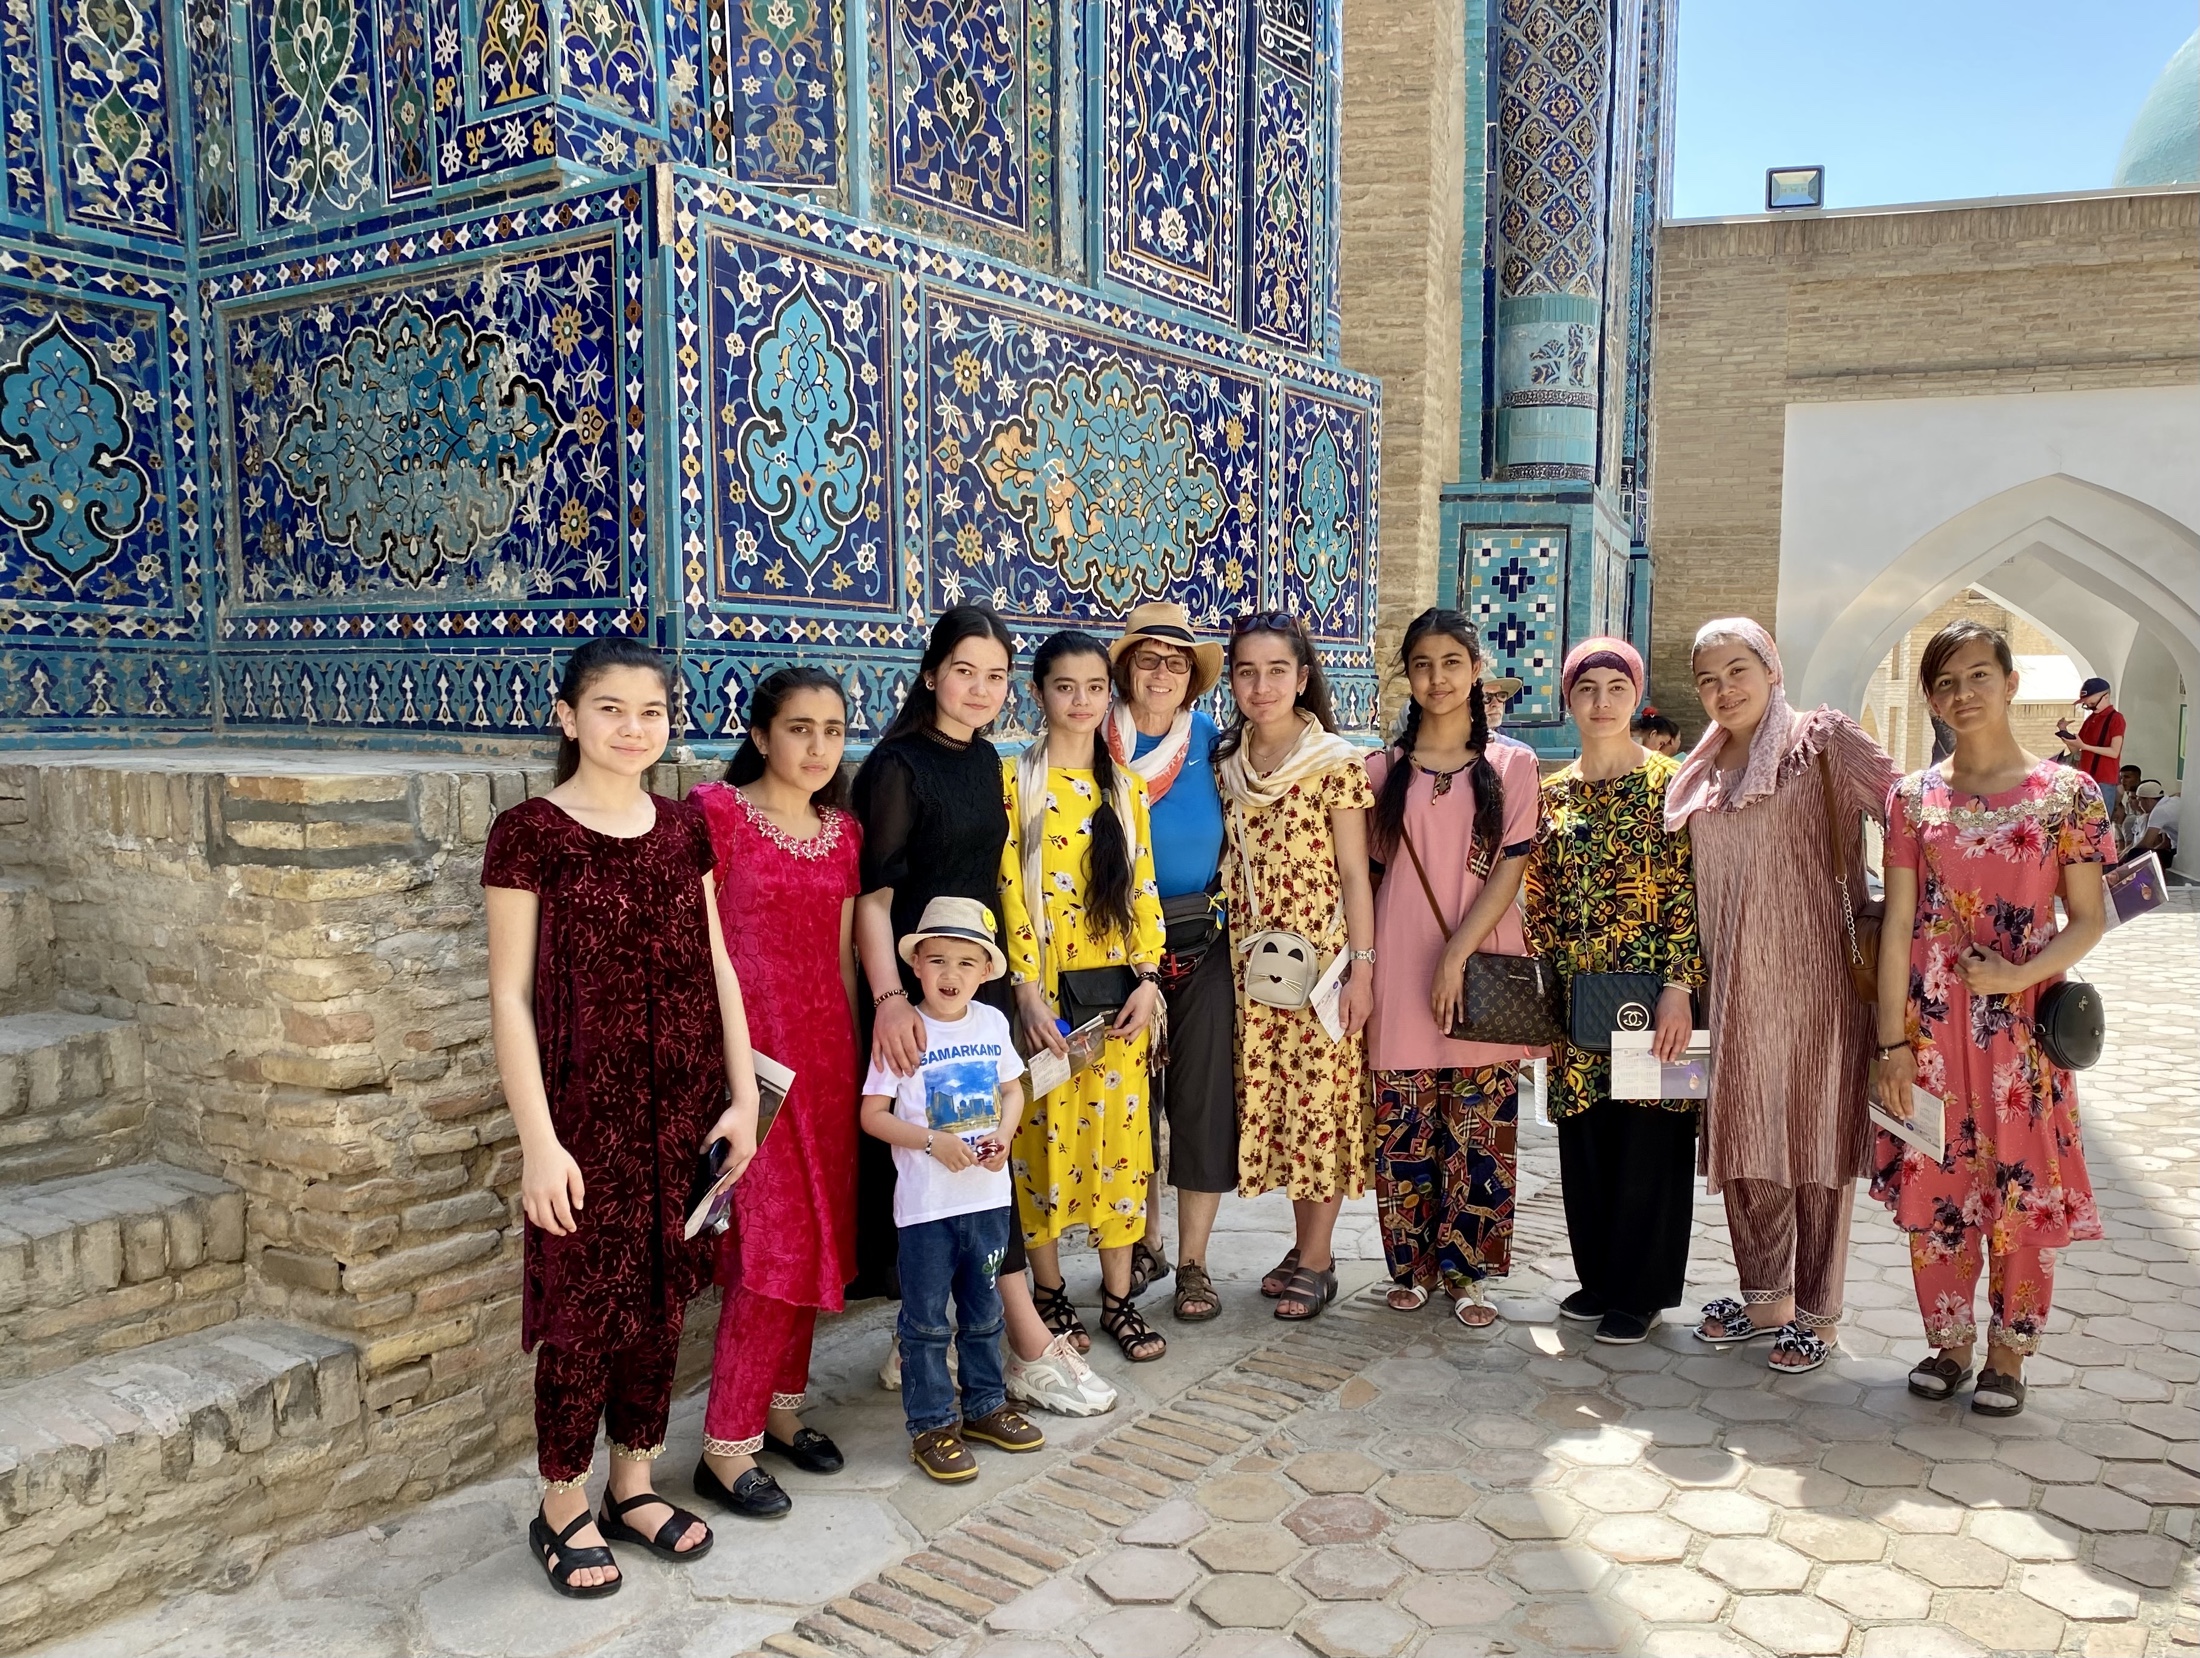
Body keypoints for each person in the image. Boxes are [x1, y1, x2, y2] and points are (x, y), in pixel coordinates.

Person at [484, 638, 758, 1597]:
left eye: (651, 711)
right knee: (582, 1311)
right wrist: (539, 1142)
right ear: (568, 716)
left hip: (684, 1110)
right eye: (610, 708)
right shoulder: (530, 833)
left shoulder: (685, 830)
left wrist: (744, 1098)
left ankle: (633, 1485)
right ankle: (563, 1503)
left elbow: (718, 965)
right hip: (581, 1118)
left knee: (663, 1301)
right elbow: (509, 995)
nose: (633, 728)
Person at [850, 607, 1114, 1416]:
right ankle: (1025, 1343)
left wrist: (1016, 987)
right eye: (964, 671)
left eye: (995, 676)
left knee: (982, 1156)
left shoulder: (986, 762)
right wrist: (892, 1004)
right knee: (948, 1158)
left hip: (978, 988)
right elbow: (874, 900)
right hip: (920, 996)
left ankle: (925, 1335)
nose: (979, 689)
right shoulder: (896, 767)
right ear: (932, 673)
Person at [1871, 621, 2109, 1418]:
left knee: (2022, 1187)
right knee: (1937, 1182)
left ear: (2010, 683)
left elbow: (2087, 919)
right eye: (1945, 682)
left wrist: (2017, 976)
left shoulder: (2067, 795)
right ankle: (1948, 1342)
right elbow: (1897, 925)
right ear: (1932, 699)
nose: (1963, 693)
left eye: (1979, 674)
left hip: (2025, 1035)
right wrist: (1890, 1042)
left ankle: (2009, 1353)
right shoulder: (1913, 798)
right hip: (1931, 1032)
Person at [1666, 618, 1899, 1375]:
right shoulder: (1701, 770)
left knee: (1815, 1145)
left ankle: (1818, 1314)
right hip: (1732, 991)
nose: (1723, 689)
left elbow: (1912, 812)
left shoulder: (1822, 743)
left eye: (1738, 670)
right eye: (1708, 678)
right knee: (1746, 1139)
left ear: (1772, 668)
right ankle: (1765, 1298)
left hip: (1820, 990)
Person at [690, 669, 861, 1520]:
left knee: (818, 1240)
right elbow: (698, 949)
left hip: (827, 1063)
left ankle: (781, 1411)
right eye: (799, 728)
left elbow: (840, 961)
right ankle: (725, 1448)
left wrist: (859, 1070)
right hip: (751, 1068)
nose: (818, 747)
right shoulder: (713, 815)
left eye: (833, 730)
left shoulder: (845, 833)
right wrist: (721, 1074)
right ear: (760, 735)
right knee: (769, 1252)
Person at [1364, 609, 1542, 1329]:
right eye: (1422, 664)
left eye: (1451, 662)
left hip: (1481, 963)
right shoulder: (1382, 769)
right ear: (1408, 676)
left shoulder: (1513, 764)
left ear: (1475, 670)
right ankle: (1410, 1264)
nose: (1437, 678)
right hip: (1398, 963)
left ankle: (1467, 1271)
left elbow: (1510, 869)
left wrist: (1456, 957)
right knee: (1404, 1123)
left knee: (1479, 1127)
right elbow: (1371, 875)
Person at [1526, 639, 1705, 1345]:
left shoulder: (1673, 785)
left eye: (1616, 688)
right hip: (1579, 994)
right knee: (1588, 1134)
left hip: (1654, 992)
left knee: (1651, 1134)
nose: (1601, 703)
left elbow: (1692, 891)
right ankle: (1599, 1278)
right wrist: (1544, 995)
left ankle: (1642, 1290)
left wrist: (1681, 987)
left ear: (1637, 697)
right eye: (1587, 689)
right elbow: (1539, 900)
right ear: (1567, 699)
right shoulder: (1552, 795)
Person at [1001, 630, 1169, 1362]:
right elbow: (1010, 890)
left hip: (1117, 1002)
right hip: (1048, 999)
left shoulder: (1126, 790)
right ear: (1037, 693)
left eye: (1094, 687)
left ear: (1110, 695)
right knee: (1040, 1143)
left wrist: (1150, 982)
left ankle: (1119, 1298)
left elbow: (1143, 889)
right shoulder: (1015, 783)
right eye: (1064, 686)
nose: (1080, 701)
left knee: (1120, 1146)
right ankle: (1049, 1294)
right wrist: (1026, 992)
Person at [1218, 612, 1376, 1322]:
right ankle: (1302, 1243)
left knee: (1319, 1105)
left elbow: (1355, 874)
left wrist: (1362, 970)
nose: (1262, 686)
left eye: (1277, 670)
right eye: (1247, 672)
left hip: (1321, 967)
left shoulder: (1335, 763)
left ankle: (1318, 1259)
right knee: (1277, 1103)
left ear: (1303, 677)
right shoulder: (1229, 763)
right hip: (1252, 965)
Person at [859, 898, 1048, 1481]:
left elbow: (1012, 1091)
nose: (950, 974)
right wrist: (930, 1142)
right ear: (915, 964)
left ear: (985, 972)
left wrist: (1004, 1136)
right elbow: (872, 1115)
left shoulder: (991, 1024)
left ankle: (985, 1405)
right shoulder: (905, 1033)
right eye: (937, 960)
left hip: (986, 1203)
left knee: (985, 1312)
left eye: (966, 963)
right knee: (925, 1325)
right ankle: (932, 1425)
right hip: (927, 1211)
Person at [1102, 603, 1234, 1323]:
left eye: (1176, 663)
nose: (1161, 673)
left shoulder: (1211, 741)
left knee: (1199, 1099)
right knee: (1130, 1101)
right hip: (1114, 947)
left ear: (1191, 678)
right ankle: (1144, 1241)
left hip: (1198, 942)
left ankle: (1194, 1262)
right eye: (1148, 659)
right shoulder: (1095, 739)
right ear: (1125, 669)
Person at [2056, 677, 2124, 817]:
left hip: (2104, 780)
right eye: (2086, 704)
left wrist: (2085, 746)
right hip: (2085, 778)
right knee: (2083, 821)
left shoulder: (2116, 718)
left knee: (2099, 823)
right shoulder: (2090, 719)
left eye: (2092, 703)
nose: (2089, 707)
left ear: (2106, 697)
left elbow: (2114, 752)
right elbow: (2077, 750)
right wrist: (2065, 734)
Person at [2119, 781, 2178, 866]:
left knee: (2136, 853)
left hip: (2179, 852)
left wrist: (2126, 856)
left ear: (2148, 800)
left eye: (2140, 801)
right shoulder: (2173, 801)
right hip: (2185, 849)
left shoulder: (2159, 811)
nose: (2139, 805)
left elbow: (2146, 843)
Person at [2110, 763, 2142, 849]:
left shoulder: (2145, 797)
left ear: (2138, 779)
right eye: (2121, 778)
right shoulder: (2125, 799)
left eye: (2127, 777)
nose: (2123, 781)